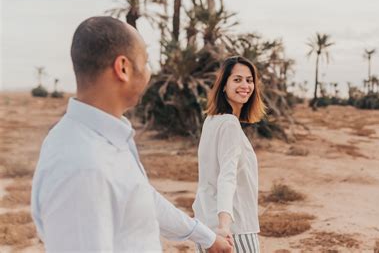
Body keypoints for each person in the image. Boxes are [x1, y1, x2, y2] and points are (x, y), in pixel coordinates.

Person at [31, 16, 232, 252]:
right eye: (146, 62)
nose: (150, 72)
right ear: (123, 68)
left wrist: (205, 237)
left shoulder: (105, 138)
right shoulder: (83, 167)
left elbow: (142, 198)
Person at [193, 56, 266, 253]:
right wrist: (224, 226)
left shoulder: (212, 120)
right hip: (235, 229)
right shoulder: (229, 124)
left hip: (206, 226)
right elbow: (227, 176)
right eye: (237, 79)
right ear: (223, 85)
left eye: (249, 80)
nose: (245, 85)